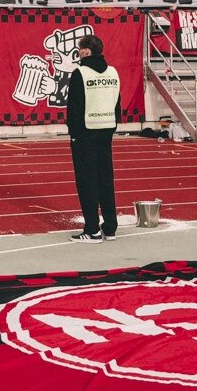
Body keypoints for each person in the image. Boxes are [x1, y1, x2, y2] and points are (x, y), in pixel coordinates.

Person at [65, 34, 121, 244]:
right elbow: (117, 102)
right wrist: (112, 125)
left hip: (85, 133)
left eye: (80, 49)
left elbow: (74, 107)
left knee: (87, 182)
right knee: (106, 180)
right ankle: (110, 227)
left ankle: (92, 230)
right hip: (106, 131)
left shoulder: (80, 73)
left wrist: (74, 134)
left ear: (87, 51)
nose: (78, 52)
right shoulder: (113, 72)